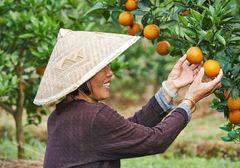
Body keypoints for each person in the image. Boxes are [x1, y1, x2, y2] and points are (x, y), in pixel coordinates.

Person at [34, 29, 223, 168]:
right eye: (103, 68)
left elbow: (127, 130)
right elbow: (155, 140)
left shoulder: (62, 115)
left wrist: (171, 87)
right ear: (83, 77)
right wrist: (189, 100)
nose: (111, 75)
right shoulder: (93, 116)